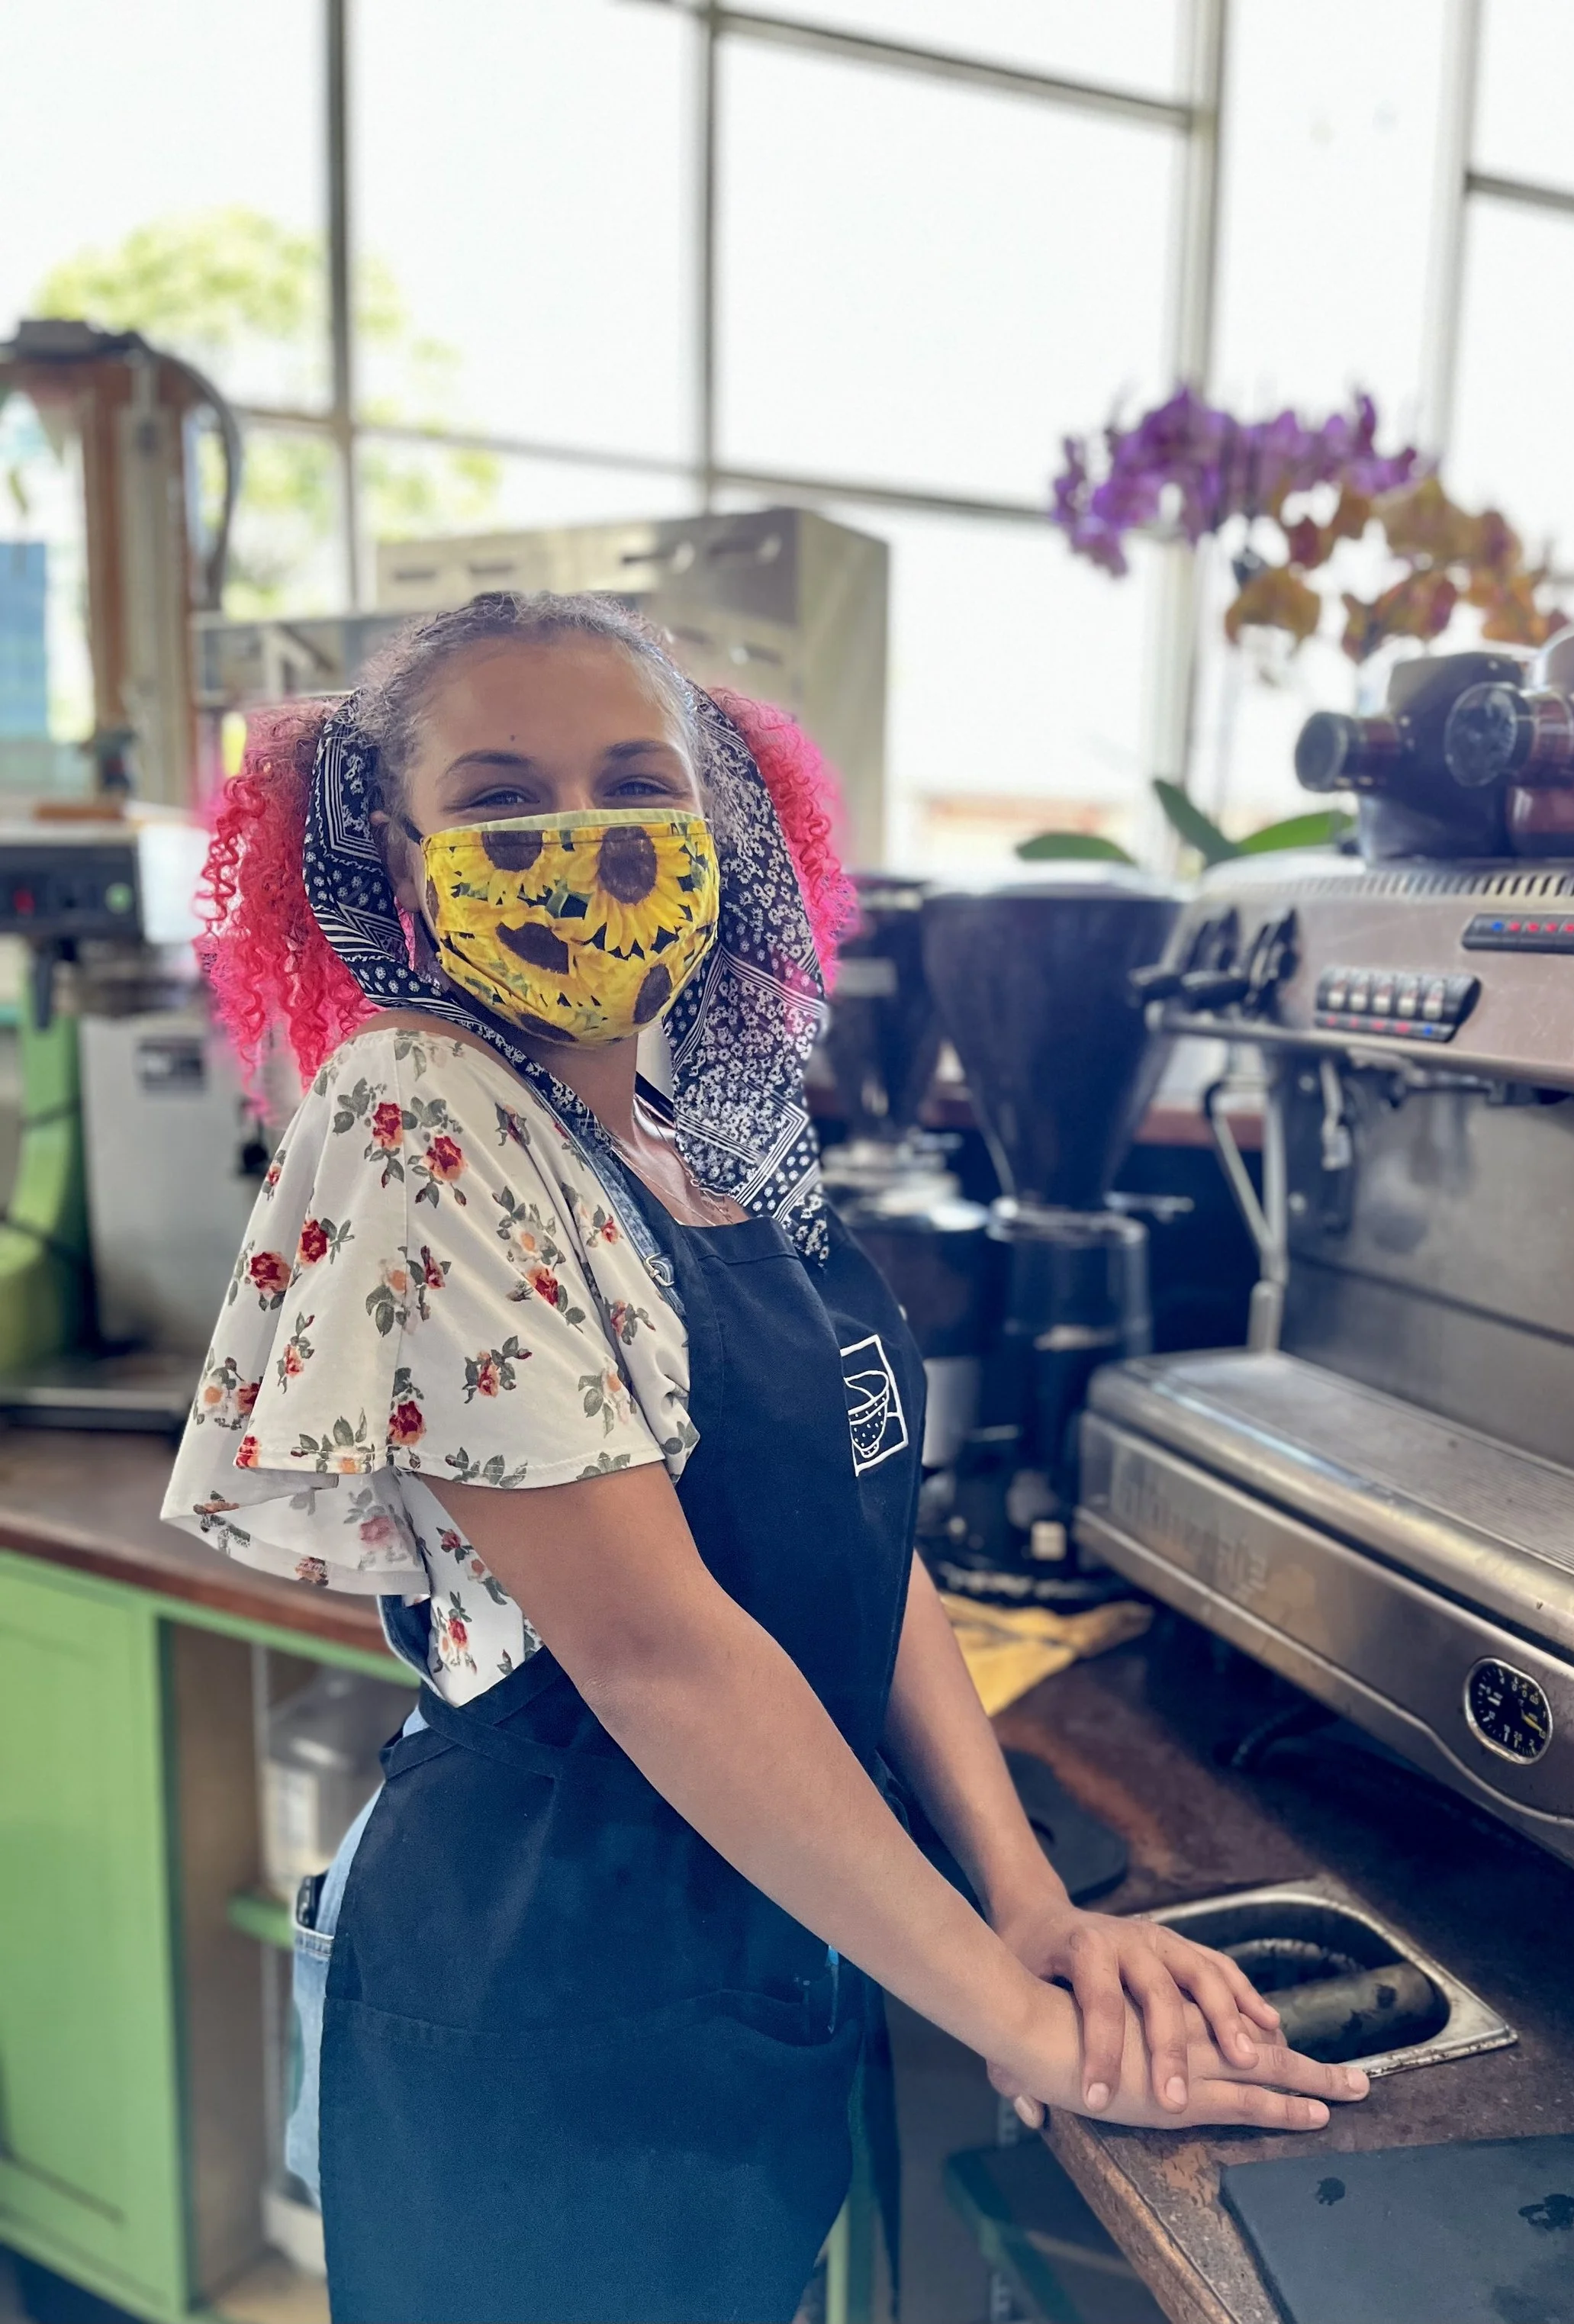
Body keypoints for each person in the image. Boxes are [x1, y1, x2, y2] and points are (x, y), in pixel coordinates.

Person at [165, 591, 1366, 2324]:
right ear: (404, 867)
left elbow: (860, 1547)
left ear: (716, 833)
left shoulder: (703, 1128)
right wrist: (1025, 2027)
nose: (575, 844)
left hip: (769, 1940)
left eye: (630, 785)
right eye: (503, 804)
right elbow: (658, 1649)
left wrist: (1023, 1906)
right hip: (547, 1999)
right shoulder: (418, 1116)